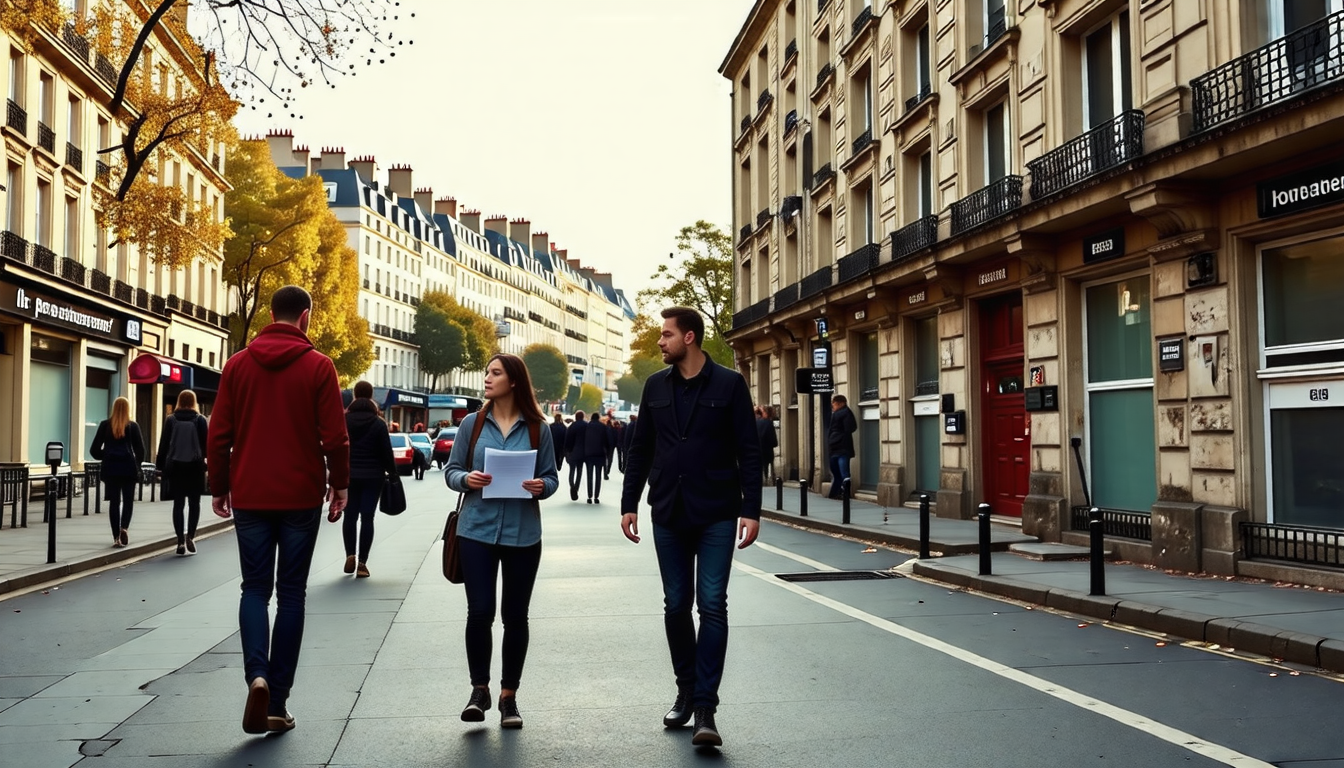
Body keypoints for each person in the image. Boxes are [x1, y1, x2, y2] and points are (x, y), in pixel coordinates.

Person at [208, 285, 349, 736]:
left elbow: (219, 433)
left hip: (249, 493)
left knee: (253, 589)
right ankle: (278, 702)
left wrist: (219, 486)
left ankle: (257, 676)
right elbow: (335, 437)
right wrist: (340, 485)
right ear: (305, 317)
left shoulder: (236, 365)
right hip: (300, 496)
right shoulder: (319, 366)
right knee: (291, 594)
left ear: (270, 314)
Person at [621, 306, 761, 749]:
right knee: (676, 605)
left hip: (718, 509)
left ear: (690, 338)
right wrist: (629, 504)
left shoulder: (729, 384)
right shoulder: (655, 386)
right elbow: (640, 447)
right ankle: (684, 691)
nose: (660, 342)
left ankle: (706, 708)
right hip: (668, 509)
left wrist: (752, 509)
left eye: (666, 335)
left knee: (713, 604)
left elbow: (749, 451)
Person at [444, 353, 559, 729]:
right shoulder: (472, 425)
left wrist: (542, 487)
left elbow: (552, 477)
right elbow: (452, 471)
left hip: (523, 535)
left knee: (515, 617)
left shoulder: (539, 428)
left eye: (495, 373)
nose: (487, 378)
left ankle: (509, 697)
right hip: (475, 529)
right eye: (487, 372)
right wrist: (467, 480)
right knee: (479, 613)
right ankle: (480, 690)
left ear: (513, 381)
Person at [344, 380, 396, 579]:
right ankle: (362, 564)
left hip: (349, 476)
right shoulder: (378, 423)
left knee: (349, 517)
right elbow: (386, 453)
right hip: (373, 477)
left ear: (355, 395)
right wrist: (393, 475)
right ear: (371, 395)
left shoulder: (345, 421)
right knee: (367, 518)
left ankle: (350, 554)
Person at [156, 389, 209, 555]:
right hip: (195, 467)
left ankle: (179, 540)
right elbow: (206, 445)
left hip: (176, 467)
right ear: (194, 402)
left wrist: (160, 467)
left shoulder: (171, 420)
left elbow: (163, 445)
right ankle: (191, 536)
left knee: (178, 505)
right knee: (195, 504)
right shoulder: (200, 420)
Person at [89, 396, 145, 548]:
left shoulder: (105, 425)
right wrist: (136, 463)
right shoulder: (133, 426)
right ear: (128, 409)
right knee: (128, 502)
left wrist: (106, 456)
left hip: (111, 469)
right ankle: (124, 528)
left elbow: (93, 450)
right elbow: (141, 450)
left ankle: (116, 537)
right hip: (128, 469)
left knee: (114, 503)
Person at [827, 394, 858, 499]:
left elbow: (849, 428)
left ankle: (842, 494)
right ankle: (838, 493)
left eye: (834, 404)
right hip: (840, 447)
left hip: (840, 448)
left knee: (841, 474)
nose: (832, 406)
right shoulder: (841, 413)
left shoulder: (843, 414)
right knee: (841, 473)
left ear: (840, 404)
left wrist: (834, 439)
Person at [583, 411, 610, 504]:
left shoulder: (586, 426)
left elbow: (583, 440)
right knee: (598, 476)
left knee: (589, 476)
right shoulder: (603, 427)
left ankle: (589, 496)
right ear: (598, 418)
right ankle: (596, 496)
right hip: (600, 454)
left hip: (589, 454)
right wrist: (607, 452)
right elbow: (607, 440)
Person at [564, 411, 588, 501]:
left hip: (573, 452)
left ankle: (572, 487)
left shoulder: (572, 426)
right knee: (579, 472)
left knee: (572, 471)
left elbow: (568, 440)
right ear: (583, 416)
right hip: (583, 452)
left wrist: (566, 452)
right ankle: (576, 488)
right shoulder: (586, 426)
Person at [755, 405, 777, 485]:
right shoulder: (768, 423)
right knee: (766, 467)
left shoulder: (754, 423)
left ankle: (761, 481)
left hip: (756, 452)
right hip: (767, 453)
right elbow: (774, 442)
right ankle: (767, 480)